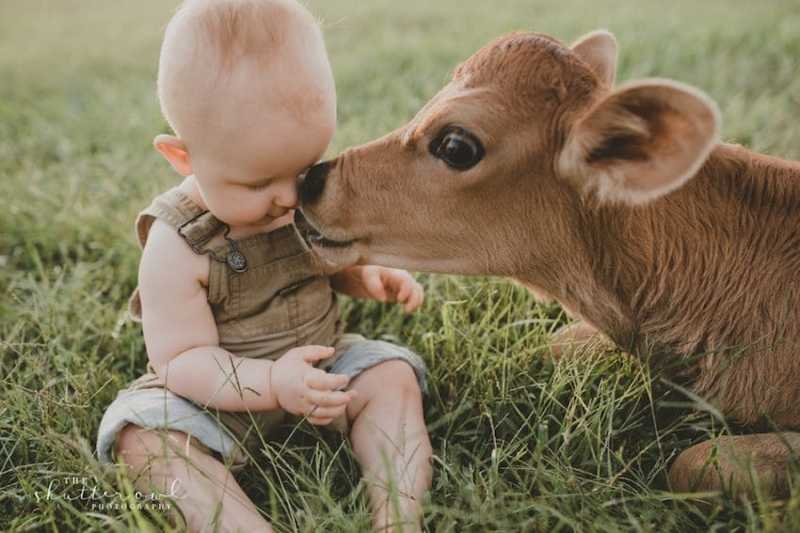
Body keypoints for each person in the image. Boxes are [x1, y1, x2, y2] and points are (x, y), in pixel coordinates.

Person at [96, 1, 432, 530]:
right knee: (143, 441)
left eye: (305, 170)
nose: (288, 200)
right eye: (257, 184)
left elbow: (318, 260)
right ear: (183, 158)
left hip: (321, 377)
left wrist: (363, 277)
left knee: (391, 376)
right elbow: (181, 360)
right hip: (213, 404)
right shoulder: (178, 244)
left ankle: (397, 515)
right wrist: (273, 382)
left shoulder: (297, 196)